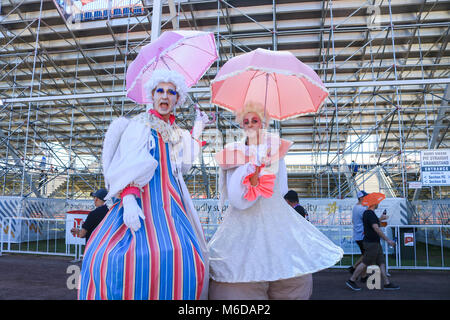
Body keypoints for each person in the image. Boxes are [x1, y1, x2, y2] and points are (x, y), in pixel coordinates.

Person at [78, 69, 210, 300]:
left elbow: (183, 167)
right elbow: (128, 162)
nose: (165, 96)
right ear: (152, 94)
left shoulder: (174, 131)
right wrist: (128, 199)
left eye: (171, 92)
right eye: (160, 90)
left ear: (178, 99)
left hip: (171, 202)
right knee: (122, 258)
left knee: (188, 254)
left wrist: (198, 128)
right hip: (142, 199)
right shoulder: (140, 124)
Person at [208, 101, 344, 300]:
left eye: (255, 120)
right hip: (243, 224)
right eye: (246, 121)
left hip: (274, 222)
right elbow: (237, 198)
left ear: (263, 123)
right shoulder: (232, 153)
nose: (250, 124)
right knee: (238, 284)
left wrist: (262, 168)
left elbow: (280, 189)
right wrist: (250, 169)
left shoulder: (276, 151)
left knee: (292, 282)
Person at [346, 192, 400, 291]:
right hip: (371, 242)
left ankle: (387, 283)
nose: (379, 203)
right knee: (365, 262)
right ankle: (352, 280)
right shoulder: (369, 213)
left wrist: (380, 220)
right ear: (374, 203)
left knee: (381, 262)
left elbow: (374, 224)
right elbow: (375, 227)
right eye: (377, 202)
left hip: (373, 242)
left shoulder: (368, 212)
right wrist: (387, 240)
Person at [348, 190, 368, 278]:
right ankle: (354, 268)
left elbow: (353, 220)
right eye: (365, 196)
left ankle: (364, 276)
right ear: (361, 198)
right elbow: (368, 220)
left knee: (365, 255)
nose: (367, 198)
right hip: (362, 235)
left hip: (358, 234)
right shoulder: (361, 208)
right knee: (367, 255)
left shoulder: (356, 207)